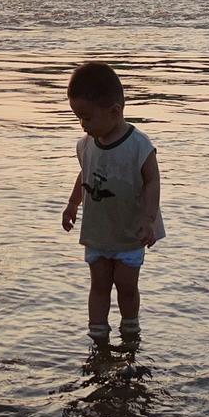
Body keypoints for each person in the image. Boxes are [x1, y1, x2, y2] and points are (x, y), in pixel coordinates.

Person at [60, 61, 164, 344]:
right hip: (98, 232)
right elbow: (86, 173)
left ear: (115, 111)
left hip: (130, 232)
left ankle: (130, 331)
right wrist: (72, 204)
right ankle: (98, 337)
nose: (83, 124)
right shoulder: (86, 144)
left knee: (127, 287)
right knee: (99, 285)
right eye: (78, 118)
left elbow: (153, 180)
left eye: (87, 117)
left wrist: (148, 218)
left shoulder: (138, 145)